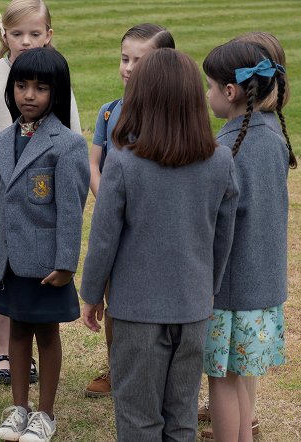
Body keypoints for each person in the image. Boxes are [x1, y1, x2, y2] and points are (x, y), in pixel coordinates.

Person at [80, 48, 239, 441]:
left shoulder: (123, 163)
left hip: (137, 312)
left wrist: (91, 294)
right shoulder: (220, 161)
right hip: (193, 307)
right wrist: (210, 288)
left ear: (141, 98)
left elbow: (104, 238)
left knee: (138, 418)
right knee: (181, 416)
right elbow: (223, 238)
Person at [0, 0, 82, 387]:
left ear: (49, 35)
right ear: (3, 34)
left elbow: (71, 135)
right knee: (2, 280)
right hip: (3, 199)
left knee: (41, 320)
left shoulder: (57, 83)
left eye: (35, 34)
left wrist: (66, 258)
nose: (25, 41)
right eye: (17, 34)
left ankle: (37, 397)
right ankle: (4, 352)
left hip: (41, 213)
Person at [0, 47, 89, 442]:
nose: (29, 95)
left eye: (40, 88)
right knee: (17, 334)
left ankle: (45, 413)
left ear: (56, 93)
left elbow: (71, 210)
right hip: (7, 262)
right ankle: (18, 408)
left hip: (45, 265)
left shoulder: (68, 144)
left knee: (47, 335)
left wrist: (66, 262)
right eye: (21, 85)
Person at [197, 31, 291, 440]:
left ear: (231, 91)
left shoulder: (227, 147)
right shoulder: (272, 134)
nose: (206, 94)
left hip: (230, 291)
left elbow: (214, 225)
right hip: (262, 287)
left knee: (222, 379)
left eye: (210, 87)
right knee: (237, 380)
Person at [84, 23, 175, 399]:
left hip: (157, 227)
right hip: (116, 227)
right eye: (125, 58)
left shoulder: (173, 117)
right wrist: (110, 202)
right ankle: (117, 365)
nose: (129, 67)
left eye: (140, 60)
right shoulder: (109, 114)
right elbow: (94, 164)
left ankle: (164, 372)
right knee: (115, 299)